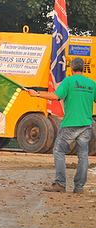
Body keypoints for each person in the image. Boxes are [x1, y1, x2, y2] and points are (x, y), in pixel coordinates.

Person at [27, 57, 95, 194]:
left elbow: (56, 96)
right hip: (86, 125)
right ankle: (79, 187)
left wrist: (37, 94)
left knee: (59, 151)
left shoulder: (68, 81)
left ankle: (60, 183)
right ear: (83, 68)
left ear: (71, 69)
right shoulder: (92, 83)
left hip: (70, 124)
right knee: (83, 155)